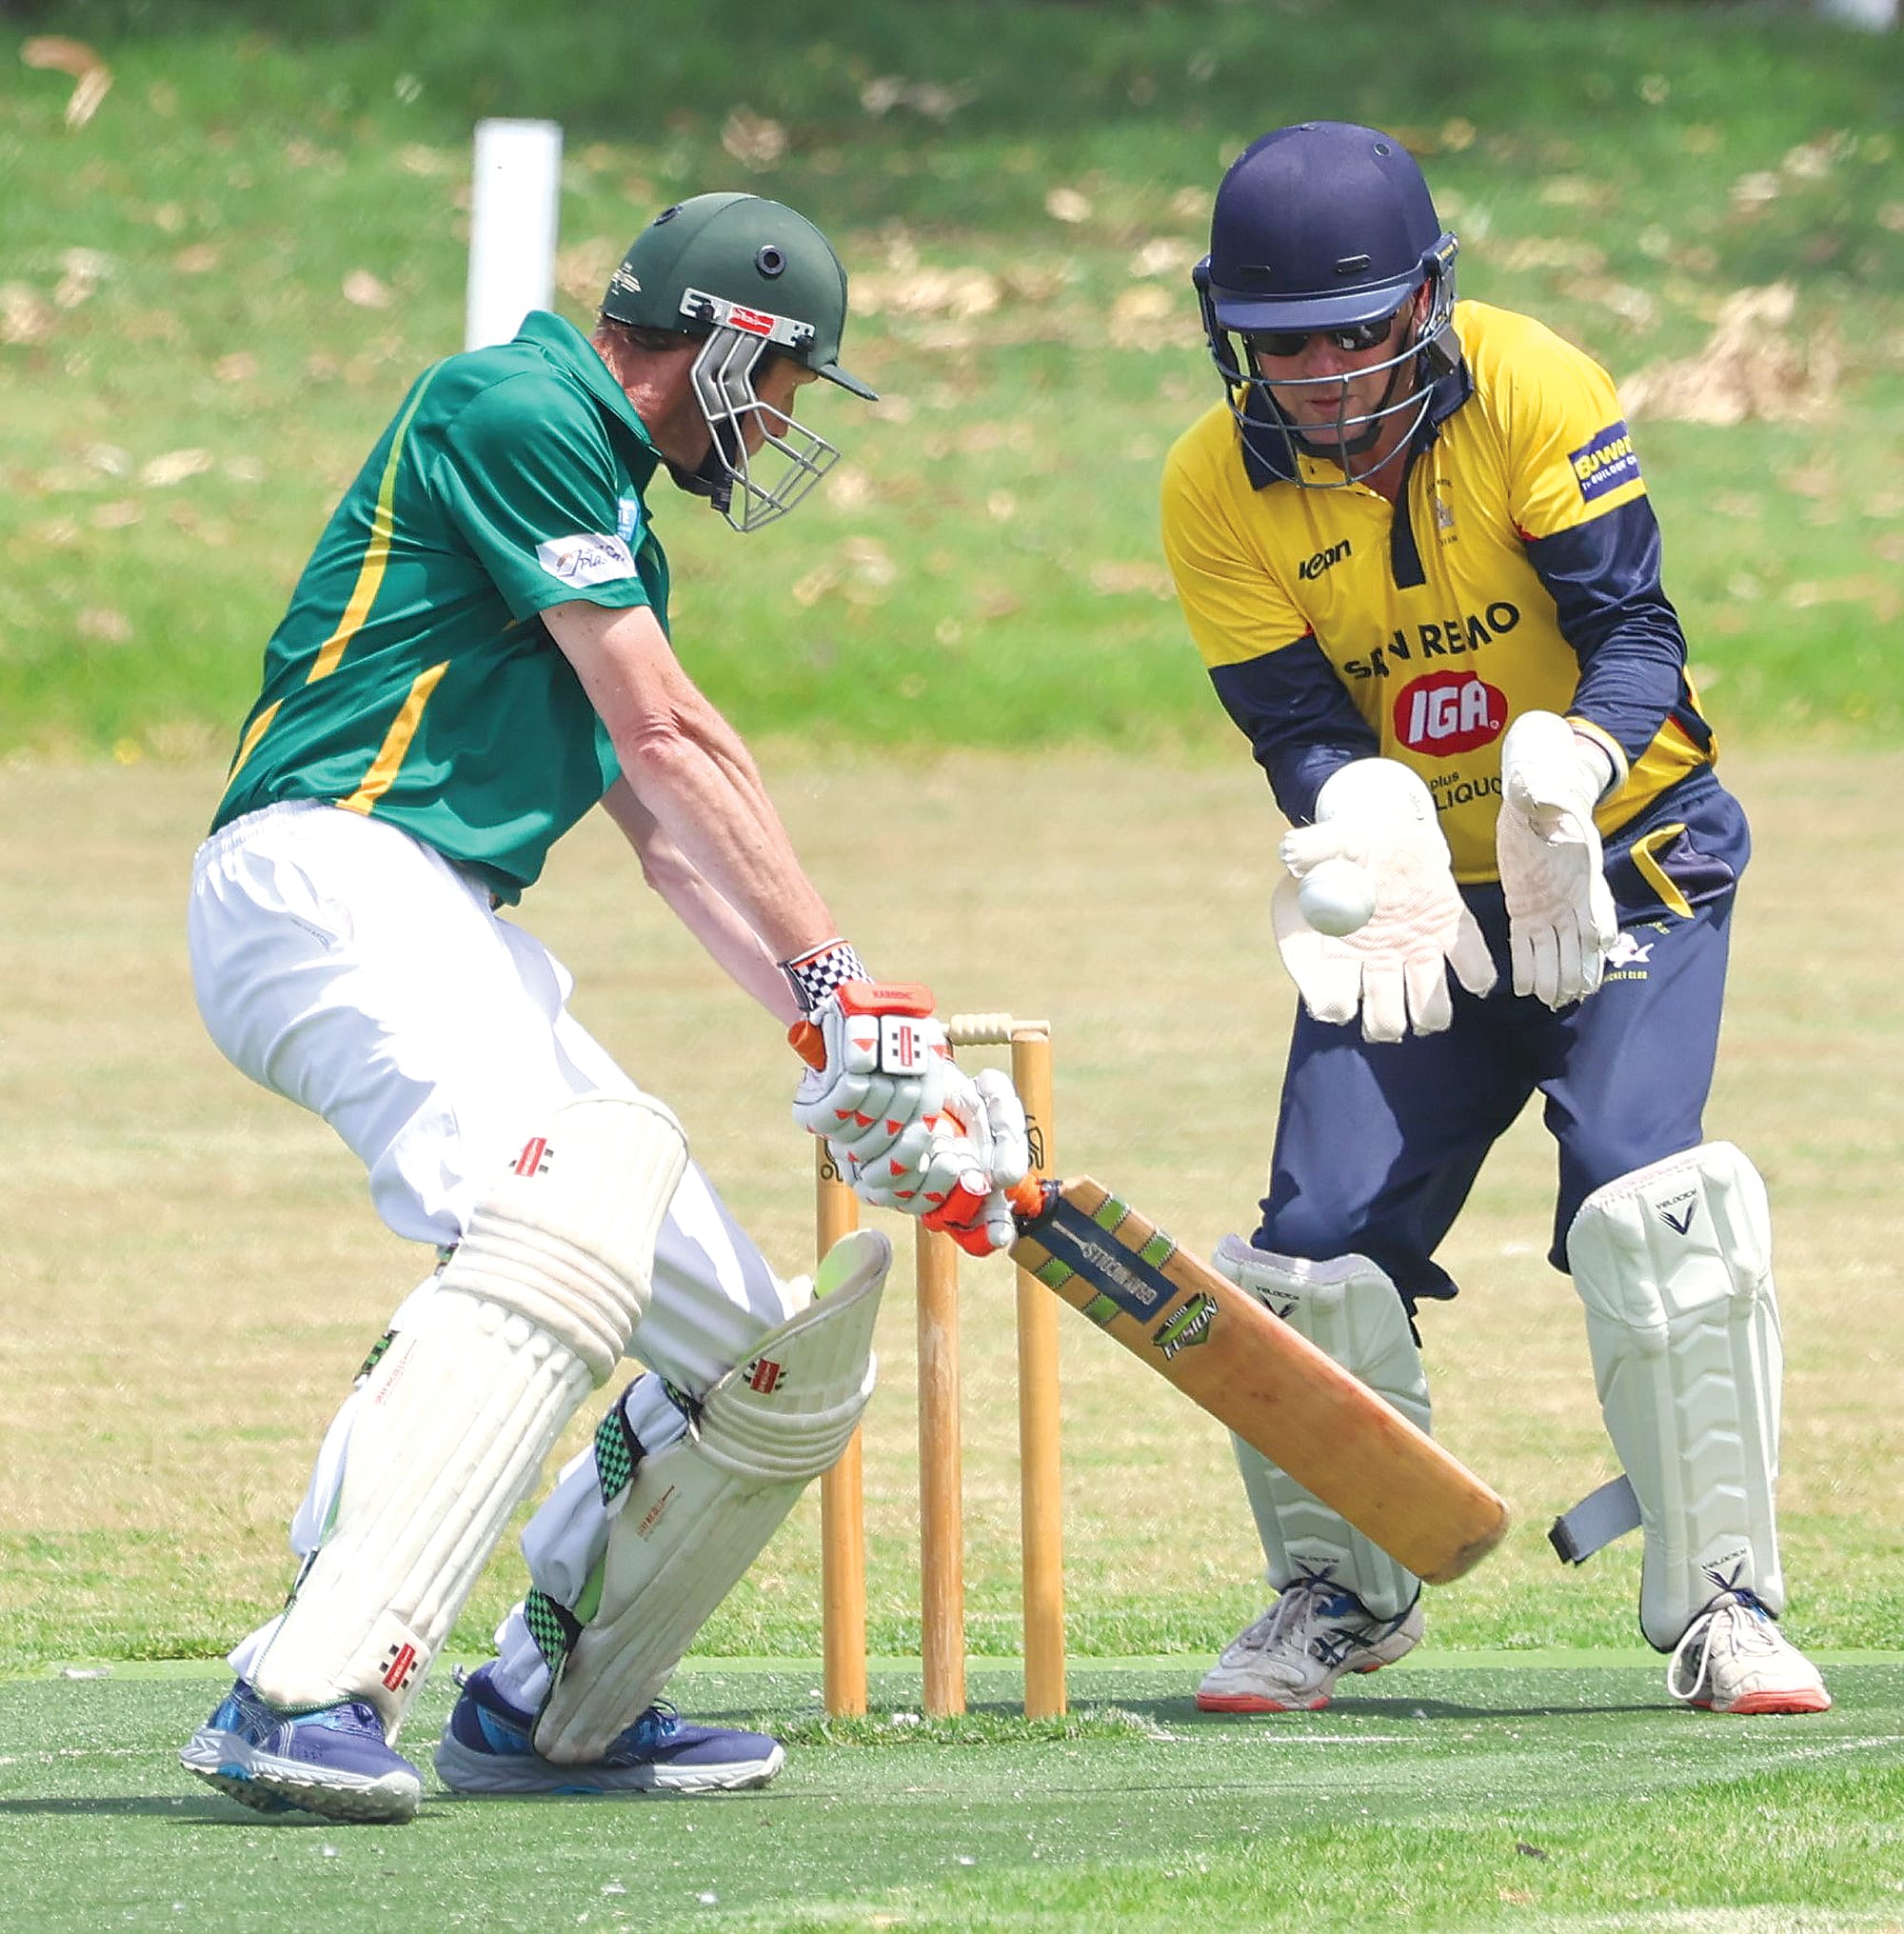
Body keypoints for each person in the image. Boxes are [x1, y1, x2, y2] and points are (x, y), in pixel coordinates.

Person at [179, 190, 1027, 1824]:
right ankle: (308, 1680)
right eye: (784, 386)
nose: (782, 427)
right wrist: (850, 983)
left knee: (763, 1362)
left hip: (439, 912)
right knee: (565, 1195)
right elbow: (669, 743)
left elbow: (667, 855)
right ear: (725, 347)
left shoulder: (616, 530)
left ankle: (555, 1700)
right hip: (326, 876)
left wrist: (839, 1049)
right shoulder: (509, 407)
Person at [1160, 122, 1829, 1718]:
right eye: (1278, 342)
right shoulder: (1211, 486)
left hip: (1627, 857)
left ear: (1429, 301)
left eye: (1355, 330)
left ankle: (1725, 1603)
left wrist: (1575, 764)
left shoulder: (1534, 383)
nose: (1319, 373)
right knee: (1308, 1254)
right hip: (1419, 906)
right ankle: (1338, 1590)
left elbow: (1633, 630)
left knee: (1645, 1203)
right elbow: (1293, 721)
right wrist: (1361, 807)